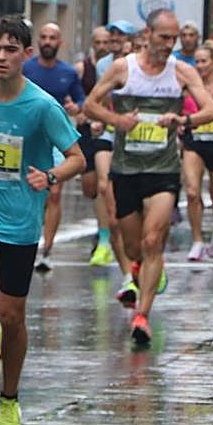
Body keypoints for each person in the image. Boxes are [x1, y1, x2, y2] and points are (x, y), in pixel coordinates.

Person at [0, 15, 84, 425]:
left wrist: (49, 177)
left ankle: (9, 400)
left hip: (20, 222)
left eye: (13, 49)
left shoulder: (42, 106)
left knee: (11, 314)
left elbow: (76, 158)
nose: (3, 56)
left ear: (27, 55)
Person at [85, 8, 213, 344]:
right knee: (132, 246)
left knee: (152, 241)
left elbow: (212, 109)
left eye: (173, 38)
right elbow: (90, 106)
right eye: (163, 37)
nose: (169, 45)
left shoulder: (182, 72)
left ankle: (141, 316)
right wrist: (118, 122)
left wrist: (183, 122)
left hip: (163, 169)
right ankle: (137, 271)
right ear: (147, 34)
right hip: (127, 167)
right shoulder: (123, 68)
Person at [22, 23, 83, 272]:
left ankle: (46, 250)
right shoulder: (27, 69)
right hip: (29, 138)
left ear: (61, 43)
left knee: (54, 191)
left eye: (52, 38)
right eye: (44, 37)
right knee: (28, 190)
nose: (47, 41)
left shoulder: (68, 73)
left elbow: (80, 98)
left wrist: (76, 107)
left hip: (57, 139)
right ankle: (25, 240)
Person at [79, 26, 126, 271]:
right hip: (107, 131)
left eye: (120, 37)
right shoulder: (104, 65)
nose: (115, 42)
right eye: (112, 37)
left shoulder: (139, 65)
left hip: (134, 136)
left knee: (125, 190)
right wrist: (100, 118)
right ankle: (105, 239)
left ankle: (128, 239)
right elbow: (97, 100)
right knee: (102, 184)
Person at [180, 39, 213, 261]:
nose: (199, 66)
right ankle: (197, 240)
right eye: (196, 61)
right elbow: (178, 109)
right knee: (192, 192)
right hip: (193, 142)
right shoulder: (188, 86)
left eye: (203, 61)